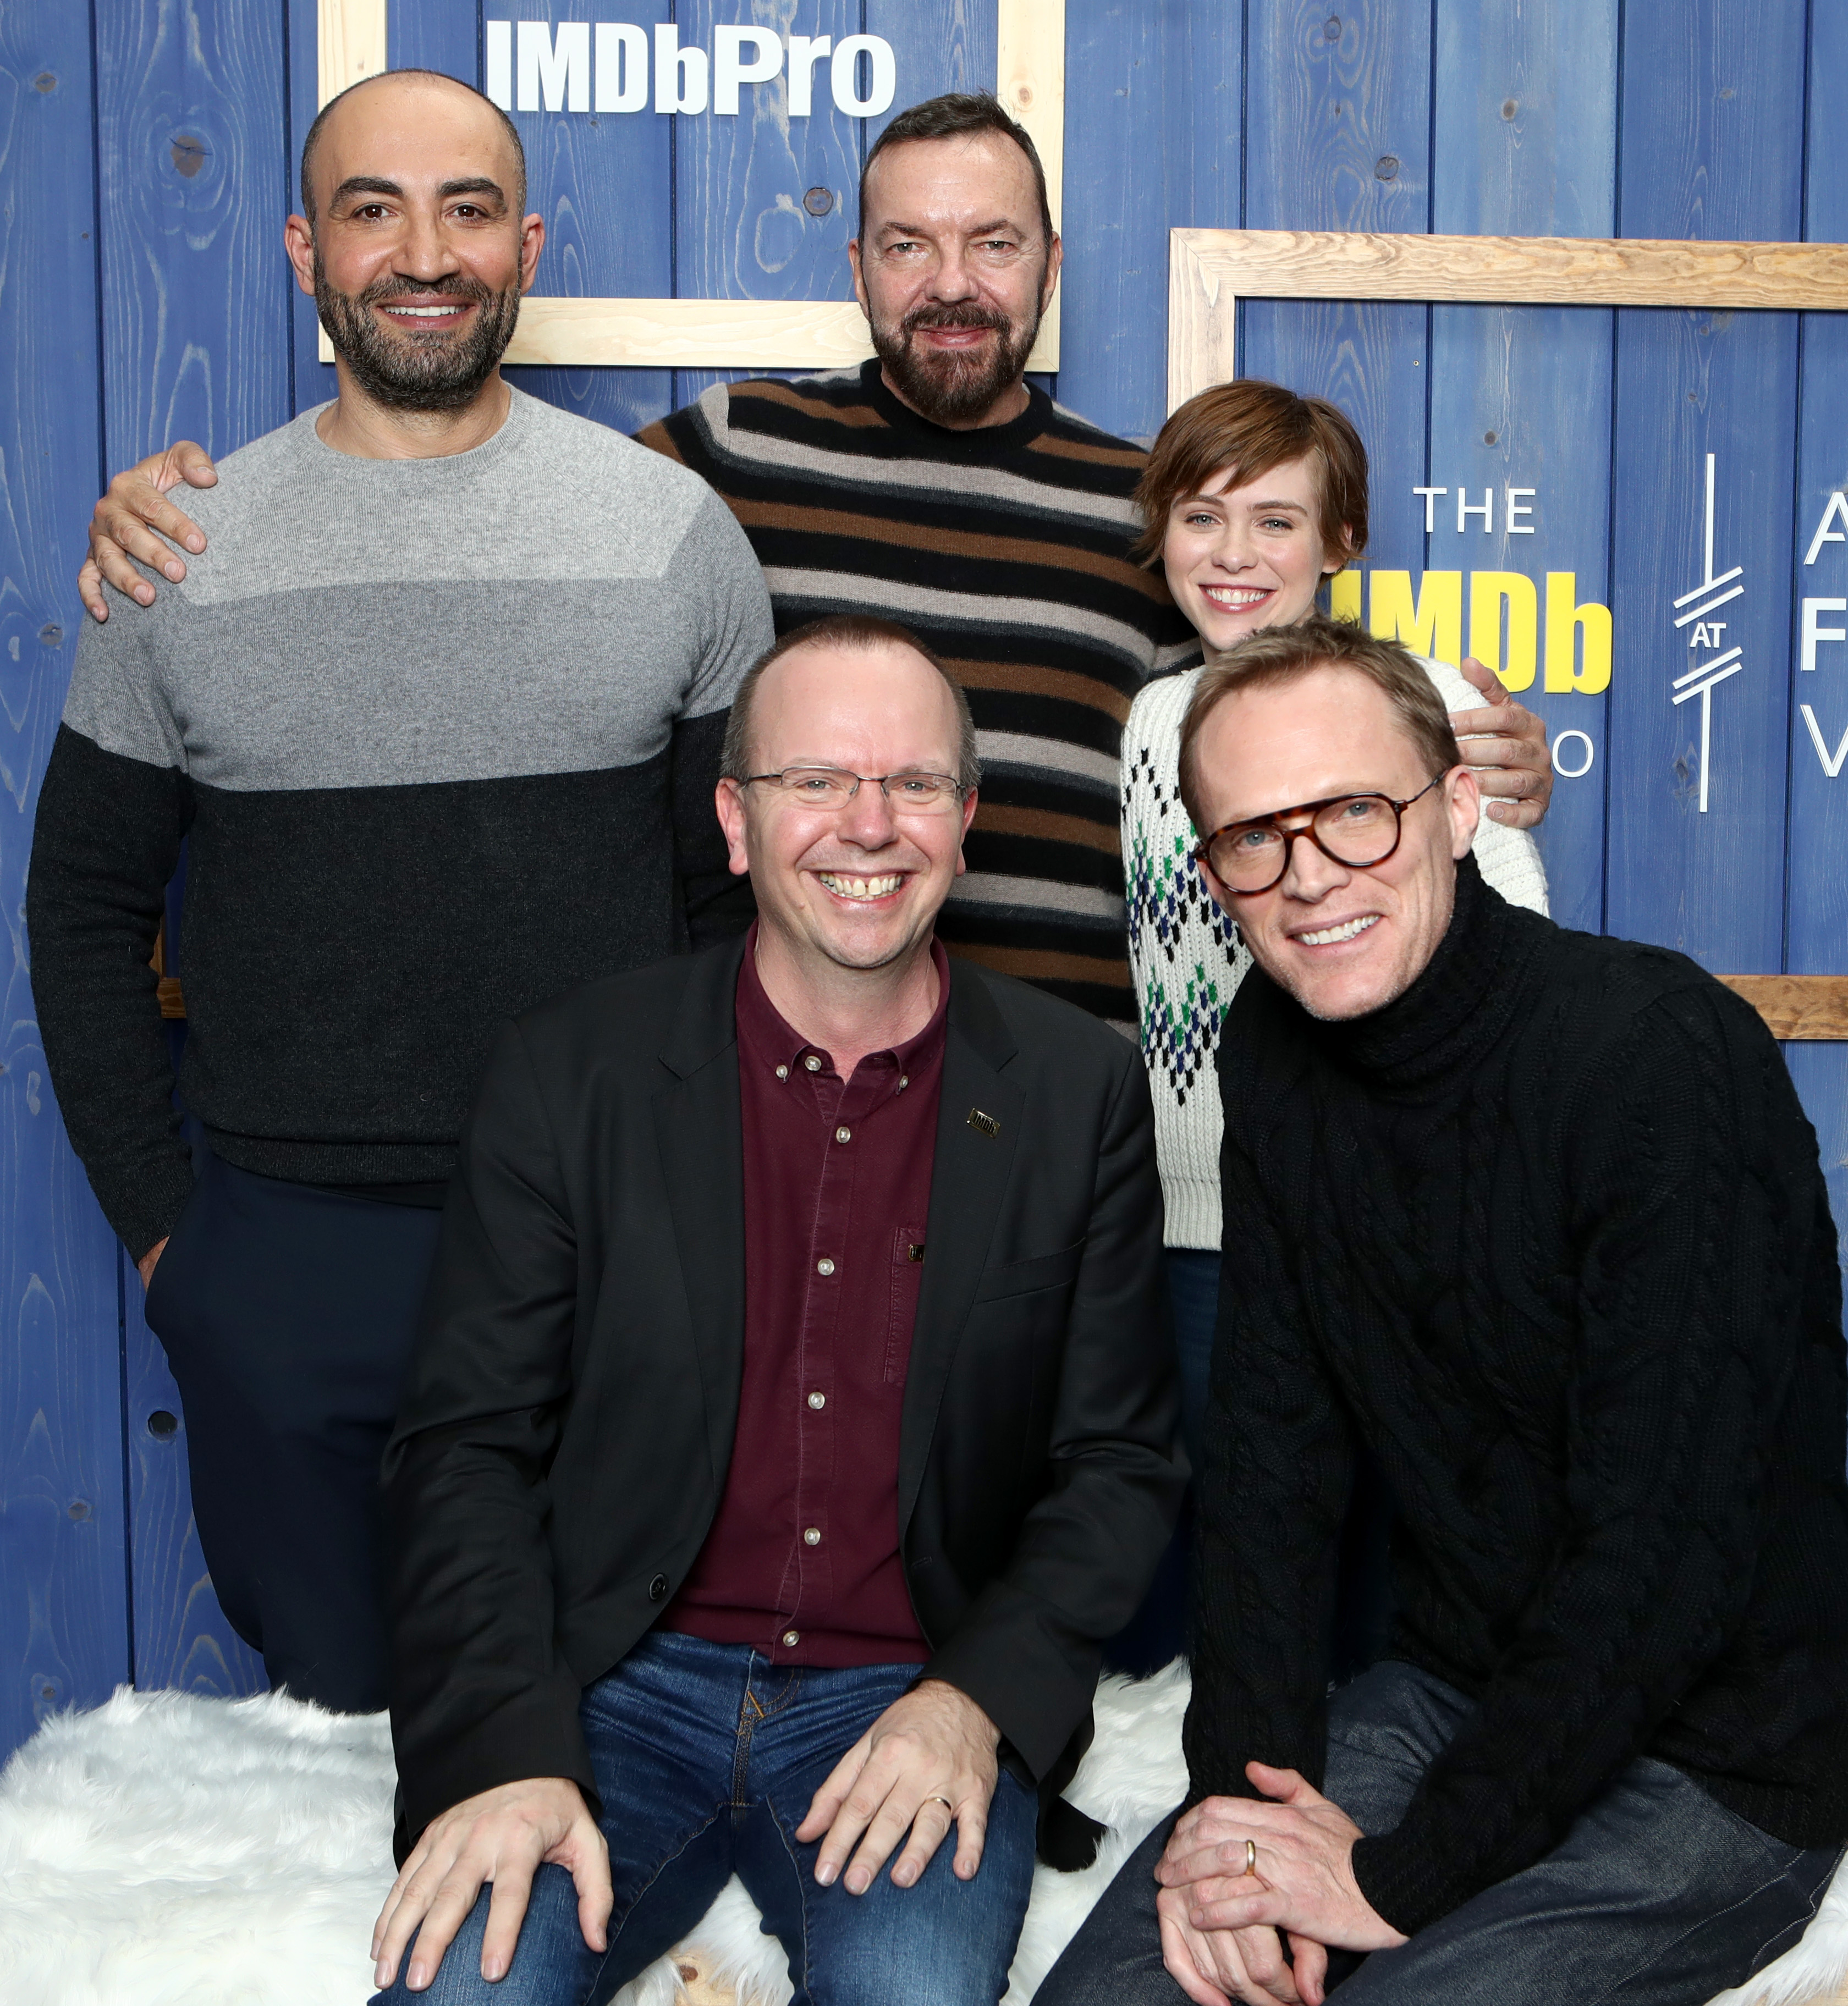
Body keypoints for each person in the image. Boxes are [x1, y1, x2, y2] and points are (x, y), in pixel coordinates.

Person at [75, 94, 1553, 1038]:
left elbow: (1287, 723)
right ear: (856, 269)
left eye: (992, 244)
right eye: (909, 245)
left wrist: (1468, 768)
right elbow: (474, 486)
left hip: (1090, 1105)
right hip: (808, 1085)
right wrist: (178, 505)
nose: (952, 284)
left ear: (1049, 263)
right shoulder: (728, 450)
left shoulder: (1145, 506)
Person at [26, 69, 772, 1715]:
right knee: (337, 1756)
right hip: (286, 1263)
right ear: (305, 248)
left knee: (612, 1742)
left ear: (528, 245)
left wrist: (695, 1209)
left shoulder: (673, 537)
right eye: (374, 209)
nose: (422, 253)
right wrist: (173, 1238)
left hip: (601, 1248)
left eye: (468, 208)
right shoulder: (176, 552)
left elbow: (743, 910)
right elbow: (82, 908)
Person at [366, 614, 1183, 2004]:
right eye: (817, 782)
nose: (869, 827)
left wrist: (973, 1704)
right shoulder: (575, 1074)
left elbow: (1116, 1465)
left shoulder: (1074, 1089)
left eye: (915, 785)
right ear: (736, 821)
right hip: (611, 1683)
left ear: (967, 821)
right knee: (465, 1992)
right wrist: (506, 1746)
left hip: (903, 1697)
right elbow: (463, 1448)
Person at [1040, 615, 1848, 2006]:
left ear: (1460, 807)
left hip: (1719, 1749)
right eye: (1253, 838)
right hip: (1454, 1686)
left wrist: (1390, 1881)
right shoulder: (1274, 1056)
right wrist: (1240, 1816)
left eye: (1354, 814)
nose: (1308, 880)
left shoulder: (1655, 1057)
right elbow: (1271, 1479)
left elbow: (1663, 1561)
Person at [1116, 381, 1550, 1667]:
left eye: (1276, 522)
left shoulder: (1411, 701)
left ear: (1339, 545)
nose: (1236, 557)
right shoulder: (1152, 722)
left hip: (1388, 1218)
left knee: (1387, 1581)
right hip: (1198, 1223)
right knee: (1233, 1567)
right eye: (1203, 518)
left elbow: (1510, 957)